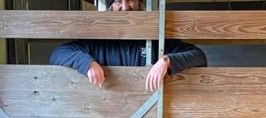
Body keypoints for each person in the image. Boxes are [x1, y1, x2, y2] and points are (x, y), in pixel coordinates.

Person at [49, 0, 206, 92]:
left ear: (140, 4)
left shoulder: (158, 41)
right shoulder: (97, 42)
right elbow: (58, 53)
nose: (125, 7)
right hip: (106, 117)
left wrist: (166, 61)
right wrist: (87, 63)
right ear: (111, 8)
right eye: (118, 1)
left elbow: (199, 56)